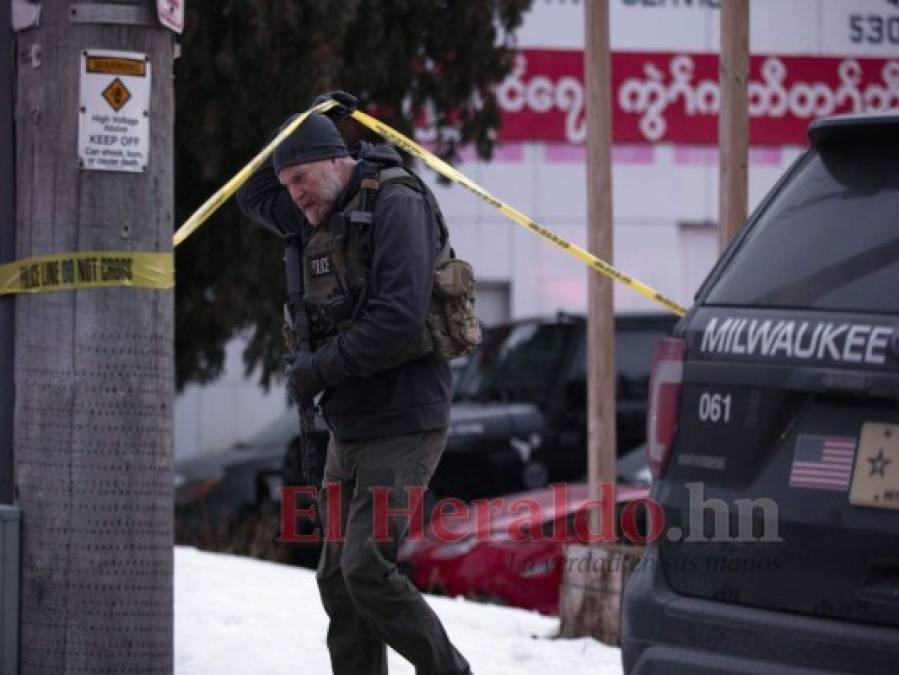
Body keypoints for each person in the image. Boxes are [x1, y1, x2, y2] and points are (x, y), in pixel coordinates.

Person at [236, 98, 472, 675]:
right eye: (287, 183)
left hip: (406, 417)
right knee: (336, 579)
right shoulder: (319, 210)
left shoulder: (396, 202)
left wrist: (317, 372)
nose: (293, 195)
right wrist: (293, 124)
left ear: (335, 160)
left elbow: (396, 316)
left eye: (300, 178)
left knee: (364, 565)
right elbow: (249, 195)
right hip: (351, 421)